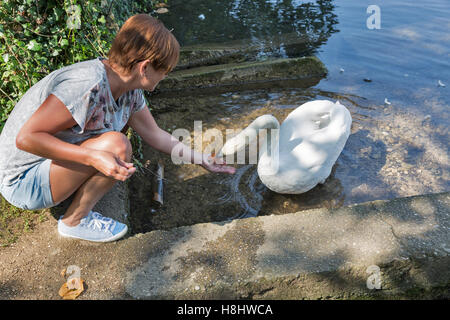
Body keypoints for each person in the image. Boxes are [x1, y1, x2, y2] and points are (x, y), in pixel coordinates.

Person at [0, 14, 235, 243]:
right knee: (118, 146)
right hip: (21, 181)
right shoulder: (86, 85)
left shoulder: (128, 88)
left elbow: (154, 133)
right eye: (164, 70)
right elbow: (27, 138)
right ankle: (74, 221)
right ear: (144, 68)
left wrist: (202, 158)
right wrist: (92, 157)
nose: (165, 76)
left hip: (47, 166)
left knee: (115, 144)